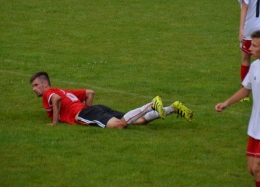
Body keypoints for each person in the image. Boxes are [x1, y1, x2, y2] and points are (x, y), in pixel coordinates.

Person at [30, 71, 194, 128]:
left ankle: (152, 104)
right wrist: (89, 109)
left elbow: (56, 99)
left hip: (84, 113)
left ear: (45, 84)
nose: (34, 89)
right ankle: (172, 108)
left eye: (36, 85)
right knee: (138, 121)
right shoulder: (63, 90)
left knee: (119, 125)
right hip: (96, 109)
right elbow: (90, 92)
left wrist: (55, 122)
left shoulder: (49, 93)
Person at [215, 30, 260, 187]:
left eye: (254, 46)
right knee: (251, 169)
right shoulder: (255, 66)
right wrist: (226, 103)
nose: (250, 49)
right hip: (255, 127)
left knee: (257, 167)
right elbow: (245, 89)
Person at [238, 0, 260, 102]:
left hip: (251, 30)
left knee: (246, 58)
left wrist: (241, 29)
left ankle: (244, 93)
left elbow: (245, 6)